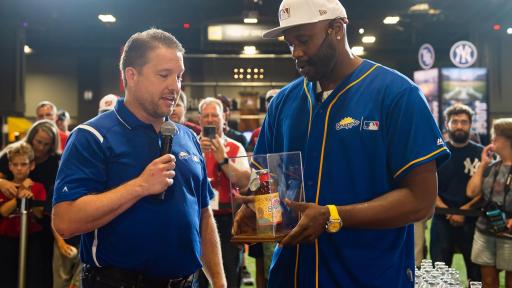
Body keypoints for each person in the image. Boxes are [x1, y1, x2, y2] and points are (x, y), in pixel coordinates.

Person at [234, 0, 451, 286]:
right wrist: (257, 212)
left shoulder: (397, 95)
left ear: (337, 28)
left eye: (303, 40)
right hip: (292, 275)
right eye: (289, 44)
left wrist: (333, 216)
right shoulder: (284, 102)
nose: (296, 52)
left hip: (368, 275)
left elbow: (421, 202)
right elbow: (266, 180)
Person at [52, 28, 226, 288]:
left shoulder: (188, 137)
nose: (175, 86)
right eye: (164, 75)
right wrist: (140, 186)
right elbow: (65, 221)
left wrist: (220, 282)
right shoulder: (92, 135)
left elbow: (203, 215)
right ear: (131, 76)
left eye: (179, 77)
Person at [197, 97, 251, 288]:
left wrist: (224, 159)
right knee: (197, 278)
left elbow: (245, 181)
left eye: (215, 115)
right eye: (206, 115)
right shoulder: (191, 146)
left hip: (227, 219)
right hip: (198, 219)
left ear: (224, 117)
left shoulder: (235, 147)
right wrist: (199, 156)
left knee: (229, 275)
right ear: (200, 119)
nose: (210, 119)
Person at [0, 119, 61, 288]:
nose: (41, 147)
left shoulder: (55, 162)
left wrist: (31, 197)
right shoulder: (13, 152)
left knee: (37, 272)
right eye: (38, 142)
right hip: (8, 233)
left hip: (38, 229)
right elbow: (3, 212)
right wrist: (3, 183)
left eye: (46, 144)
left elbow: (42, 209)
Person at [430, 104, 482, 282]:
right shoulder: (436, 152)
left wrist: (463, 211)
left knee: (476, 277)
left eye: (464, 122)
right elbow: (428, 186)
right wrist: (449, 211)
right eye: (455, 122)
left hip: (472, 220)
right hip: (441, 219)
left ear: (471, 125)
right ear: (447, 124)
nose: (459, 126)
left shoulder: (481, 154)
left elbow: (487, 190)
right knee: (440, 276)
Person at [467, 118, 512, 288]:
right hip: (485, 230)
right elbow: (471, 192)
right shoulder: (491, 167)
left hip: (509, 233)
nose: (492, 140)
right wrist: (483, 163)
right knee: (488, 281)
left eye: (496, 137)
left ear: (508, 140)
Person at [0, 142, 46, 288]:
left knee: (32, 276)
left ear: (31, 165)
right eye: (15, 164)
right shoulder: (5, 187)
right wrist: (18, 197)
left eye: (24, 164)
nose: (19, 168)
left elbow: (39, 215)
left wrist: (30, 198)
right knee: (7, 277)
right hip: (6, 241)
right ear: (10, 166)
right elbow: (3, 212)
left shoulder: (38, 187)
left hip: (32, 240)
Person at [248, 89, 279, 153]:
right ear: (265, 105)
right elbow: (251, 157)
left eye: (277, 99)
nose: (272, 103)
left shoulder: (289, 132)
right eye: (270, 101)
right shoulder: (256, 134)